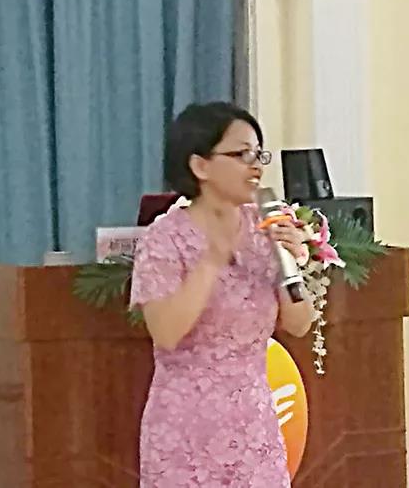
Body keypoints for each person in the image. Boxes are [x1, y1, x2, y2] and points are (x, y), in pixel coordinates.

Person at [130, 102, 316, 487]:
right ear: (200, 166)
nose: (256, 166)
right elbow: (165, 332)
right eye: (241, 154)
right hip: (185, 429)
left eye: (259, 154)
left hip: (255, 426)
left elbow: (299, 324)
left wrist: (290, 261)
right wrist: (211, 260)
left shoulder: (264, 228)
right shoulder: (164, 239)